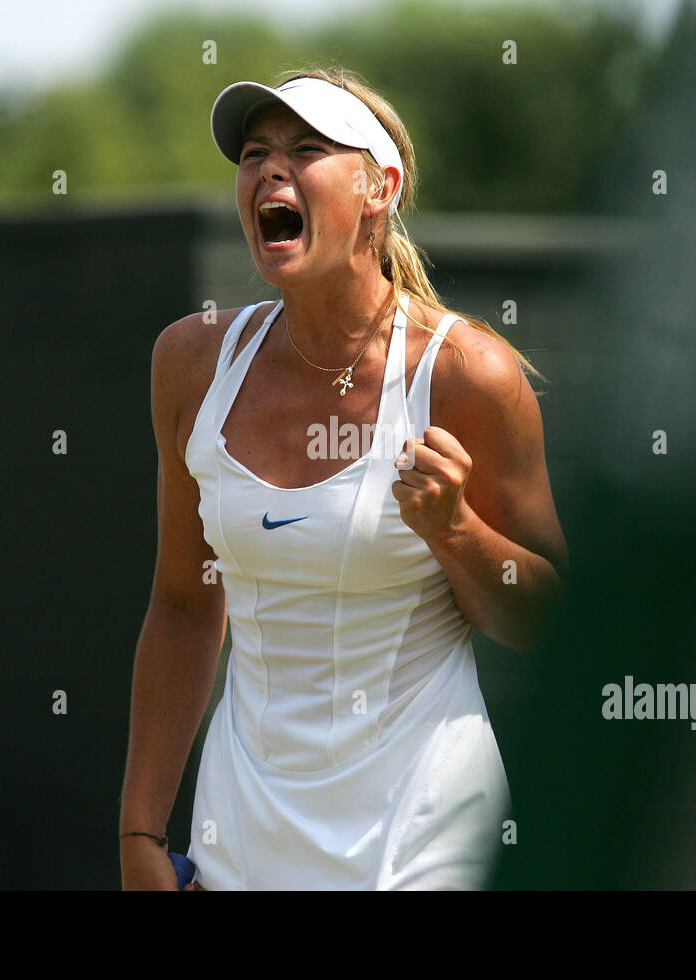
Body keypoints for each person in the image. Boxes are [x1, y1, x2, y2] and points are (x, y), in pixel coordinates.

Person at [120, 66, 568, 890]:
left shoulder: (470, 372)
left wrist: (456, 530)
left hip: (430, 848)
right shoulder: (188, 362)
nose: (269, 172)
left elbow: (547, 617)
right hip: (241, 850)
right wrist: (141, 835)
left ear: (378, 188)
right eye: (255, 153)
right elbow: (184, 604)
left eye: (307, 149)